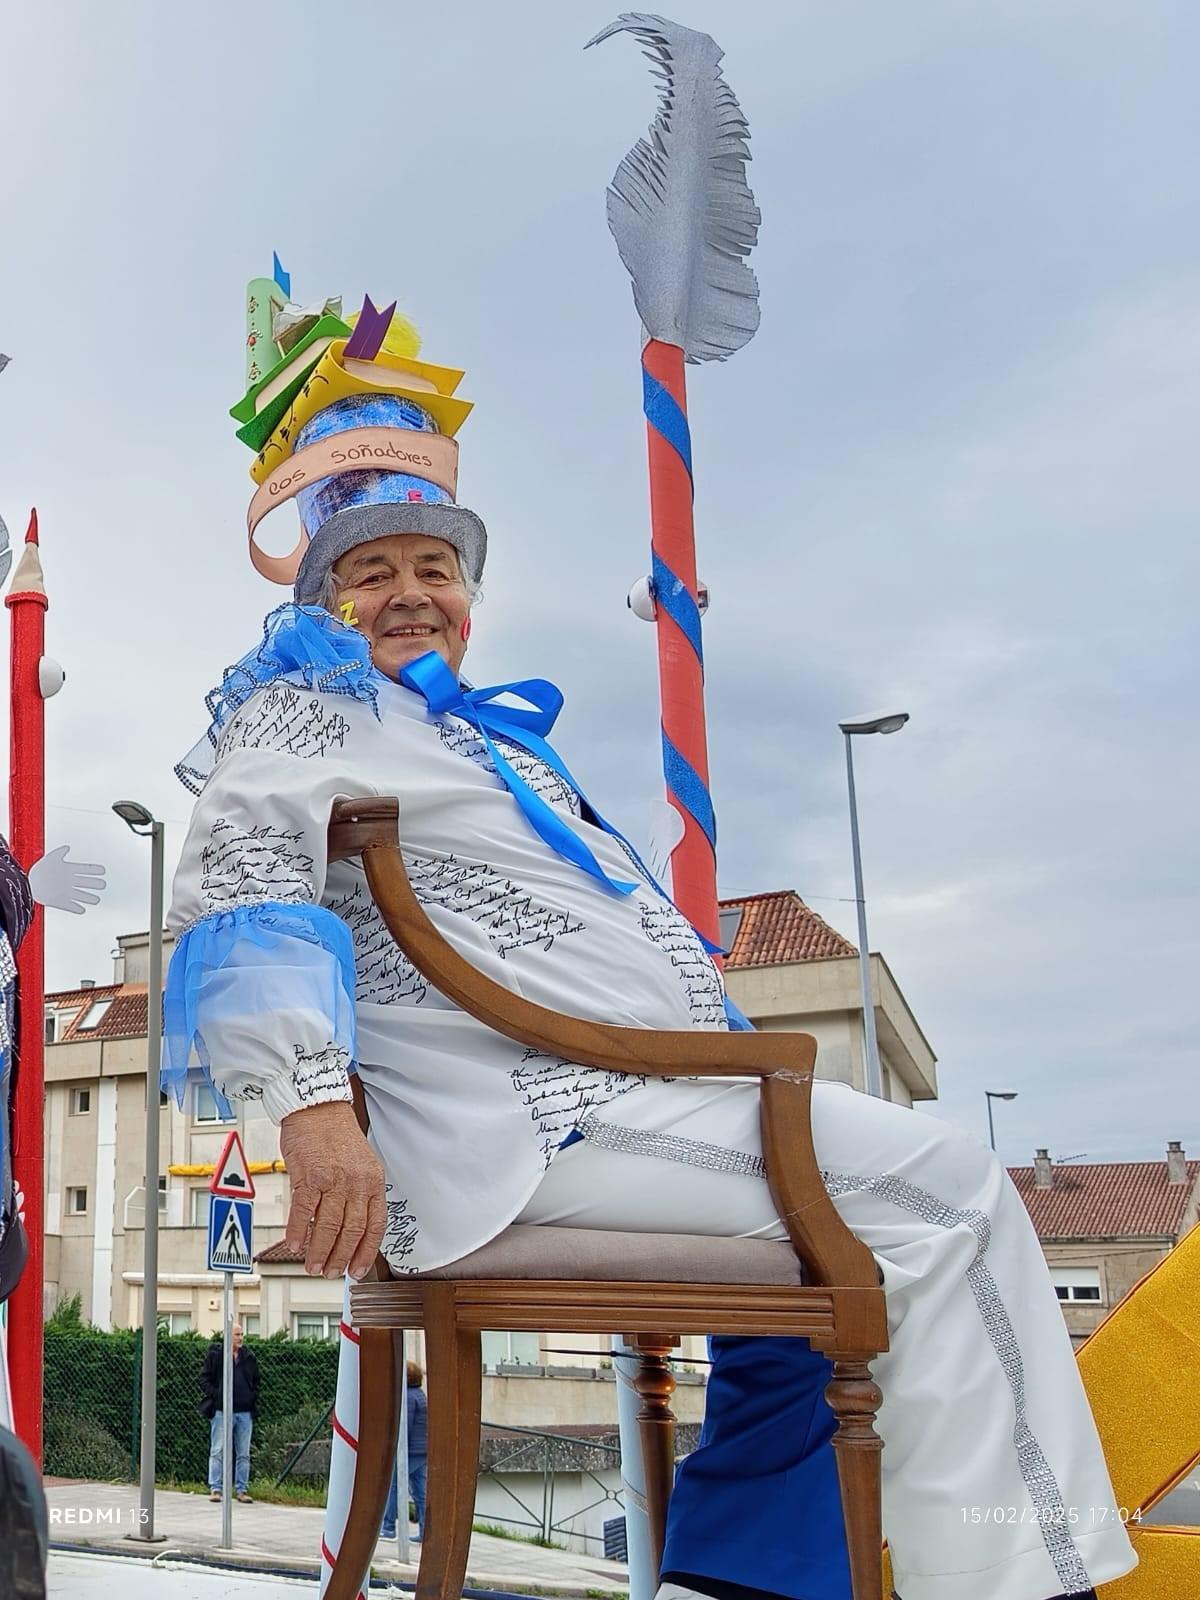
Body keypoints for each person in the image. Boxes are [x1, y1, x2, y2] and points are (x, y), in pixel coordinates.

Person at [162, 292, 1137, 1600]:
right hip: (525, 1121)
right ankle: (1033, 1587)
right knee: (946, 1193)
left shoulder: (486, 743)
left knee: (847, 1236)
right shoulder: (306, 711)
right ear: (322, 604)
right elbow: (237, 884)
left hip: (629, 1097)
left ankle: (747, 1574)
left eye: (436, 568)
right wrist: (311, 1108)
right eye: (373, 570)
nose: (411, 594)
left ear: (471, 600)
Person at [200, 1321, 259, 1503]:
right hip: (221, 1410)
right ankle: (215, 1488)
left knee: (243, 1453)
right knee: (218, 1449)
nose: (241, 1338)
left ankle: (241, 1489)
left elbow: (256, 1381)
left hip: (244, 1412)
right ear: (228, 1336)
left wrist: (251, 1397)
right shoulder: (216, 1356)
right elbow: (204, 1378)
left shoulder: (248, 1357)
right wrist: (217, 1395)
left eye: (242, 1335)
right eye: (237, 1335)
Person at [381, 1360, 428, 1543]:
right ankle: (425, 1531)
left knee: (392, 1486)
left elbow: (404, 1426)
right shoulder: (420, 1395)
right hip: (421, 1450)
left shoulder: (408, 1397)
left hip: (409, 1451)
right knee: (420, 1492)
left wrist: (396, 1449)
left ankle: (388, 1526)